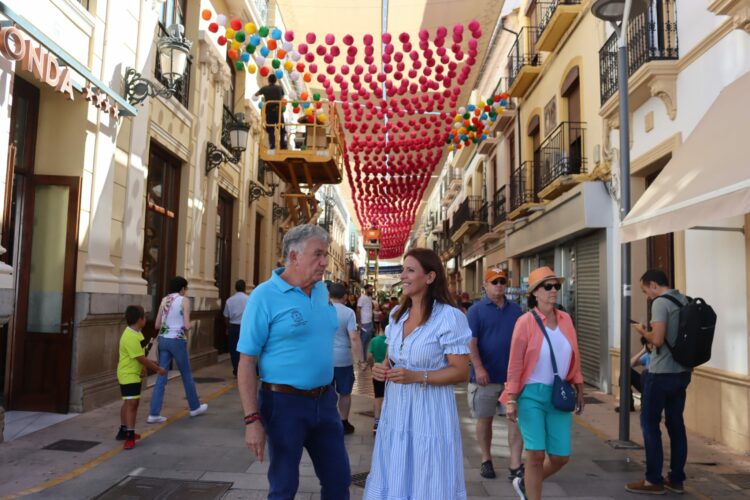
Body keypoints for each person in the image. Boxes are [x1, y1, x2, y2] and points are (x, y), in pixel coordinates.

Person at [237, 224, 350, 500]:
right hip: (283, 405)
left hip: (325, 402)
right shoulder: (264, 296)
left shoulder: (322, 292)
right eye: (318, 254)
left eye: (325, 254)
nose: (324, 262)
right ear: (294, 256)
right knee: (284, 486)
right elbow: (247, 362)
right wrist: (252, 420)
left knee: (339, 480)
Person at [364, 248, 471, 500]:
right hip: (397, 412)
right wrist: (382, 368)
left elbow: (461, 371)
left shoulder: (449, 318)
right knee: (395, 468)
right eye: (402, 270)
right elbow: (391, 358)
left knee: (428, 474)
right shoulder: (397, 315)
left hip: (430, 414)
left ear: (430, 277)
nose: (402, 275)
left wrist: (418, 376)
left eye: (410, 270)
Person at [502, 266, 585, 500]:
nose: (553, 290)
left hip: (559, 395)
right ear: (535, 293)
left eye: (556, 286)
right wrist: (511, 398)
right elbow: (515, 364)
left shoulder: (566, 319)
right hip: (531, 395)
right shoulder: (525, 322)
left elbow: (574, 355)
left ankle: (525, 482)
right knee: (535, 454)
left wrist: (578, 385)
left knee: (560, 457)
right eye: (547, 286)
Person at [626, 269, 691, 495]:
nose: (647, 296)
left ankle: (653, 480)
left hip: (661, 373)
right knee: (676, 425)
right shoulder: (684, 299)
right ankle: (676, 479)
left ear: (654, 285)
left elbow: (658, 339)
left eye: (645, 291)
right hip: (682, 373)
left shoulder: (661, 303)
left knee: (649, 425)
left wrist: (643, 331)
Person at [468, 269, 524, 480]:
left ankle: (515, 464)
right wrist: (479, 368)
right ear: (485, 285)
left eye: (502, 281)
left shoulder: (516, 310)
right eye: (495, 282)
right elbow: (470, 342)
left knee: (515, 420)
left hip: (512, 378)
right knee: (485, 420)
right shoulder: (476, 311)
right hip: (486, 378)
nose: (499, 285)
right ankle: (486, 459)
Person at [148, 276, 208, 423]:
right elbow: (186, 325)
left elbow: (156, 325)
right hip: (177, 340)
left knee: (161, 376)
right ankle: (194, 407)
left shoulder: (164, 300)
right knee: (186, 374)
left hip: (163, 340)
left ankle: (154, 414)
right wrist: (192, 325)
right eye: (185, 289)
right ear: (182, 289)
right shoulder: (184, 300)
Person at [116, 305, 165, 449]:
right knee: (132, 404)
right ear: (140, 319)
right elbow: (141, 358)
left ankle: (123, 430)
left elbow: (141, 354)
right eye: (145, 316)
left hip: (133, 373)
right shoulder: (130, 336)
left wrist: (143, 369)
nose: (146, 319)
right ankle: (130, 436)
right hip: (128, 374)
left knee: (128, 402)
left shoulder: (138, 333)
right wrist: (157, 369)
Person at [329, 282, 365, 435]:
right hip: (343, 359)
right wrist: (361, 360)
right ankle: (343, 422)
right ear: (345, 297)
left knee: (325, 392)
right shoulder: (348, 312)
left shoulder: (321, 310)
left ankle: (327, 421)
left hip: (324, 359)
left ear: (329, 296)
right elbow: (354, 338)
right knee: (344, 392)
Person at [616, 338, 652, 413]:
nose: (651, 345)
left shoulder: (660, 355)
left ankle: (645, 406)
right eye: (648, 344)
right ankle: (627, 405)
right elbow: (628, 364)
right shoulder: (647, 355)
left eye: (651, 343)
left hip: (654, 385)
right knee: (627, 372)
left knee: (645, 373)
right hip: (644, 384)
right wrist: (643, 351)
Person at [224, 279, 249, 377]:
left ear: (235, 288)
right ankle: (246, 370)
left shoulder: (229, 300)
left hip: (233, 327)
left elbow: (226, 316)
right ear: (245, 288)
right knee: (245, 349)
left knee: (233, 349)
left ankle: (236, 370)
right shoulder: (249, 299)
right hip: (245, 327)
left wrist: (227, 327)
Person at [254, 74, 286, 150]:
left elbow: (256, 94)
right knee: (282, 128)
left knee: (271, 129)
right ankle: (282, 144)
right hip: (278, 112)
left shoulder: (265, 88)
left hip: (269, 112)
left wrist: (264, 93)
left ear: (268, 80)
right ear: (275, 80)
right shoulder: (279, 88)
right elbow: (282, 96)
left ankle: (272, 145)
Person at [366, 326, 387, 435]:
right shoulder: (393, 340)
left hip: (378, 373)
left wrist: (372, 366)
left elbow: (369, 356)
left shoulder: (374, 340)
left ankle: (377, 423)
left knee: (378, 397)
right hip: (390, 373)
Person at [357, 284, 375, 360]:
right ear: (366, 289)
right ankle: (362, 360)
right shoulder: (362, 298)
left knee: (367, 342)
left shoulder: (369, 298)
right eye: (370, 289)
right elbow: (358, 310)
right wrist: (359, 322)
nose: (372, 291)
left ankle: (364, 358)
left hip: (369, 322)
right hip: (364, 323)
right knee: (363, 342)